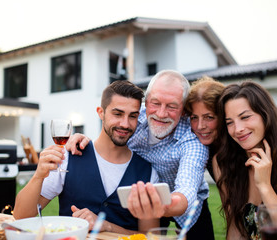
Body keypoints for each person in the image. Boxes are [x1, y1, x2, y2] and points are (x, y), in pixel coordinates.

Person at [67, 70, 214, 240]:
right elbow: (111, 133)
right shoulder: (134, 117)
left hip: (184, 206)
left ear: (184, 110)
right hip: (144, 196)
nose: (161, 113)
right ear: (146, 102)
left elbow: (186, 191)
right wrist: (85, 141)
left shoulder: (192, 140)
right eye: (155, 103)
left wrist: (155, 203)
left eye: (172, 106)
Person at [13, 80, 160, 234]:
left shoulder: (148, 173)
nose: (125, 123)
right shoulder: (68, 158)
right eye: (117, 114)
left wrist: (107, 226)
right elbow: (21, 216)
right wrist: (38, 175)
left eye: (133, 116)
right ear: (100, 112)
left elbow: (152, 237)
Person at [213, 80, 277, 239]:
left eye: (245, 117)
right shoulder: (224, 165)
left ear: (265, 115)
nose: (238, 129)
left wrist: (265, 187)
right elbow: (235, 231)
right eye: (230, 123)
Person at [184, 76, 225, 180]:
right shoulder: (206, 149)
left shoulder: (241, 148)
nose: (200, 126)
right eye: (194, 118)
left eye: (209, 117)